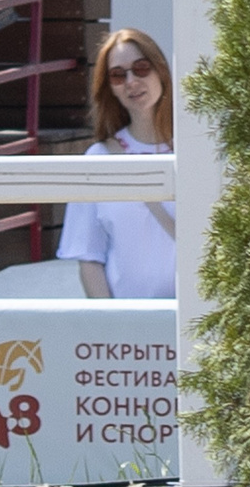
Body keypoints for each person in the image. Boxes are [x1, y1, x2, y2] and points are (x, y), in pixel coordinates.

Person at [57, 27, 173, 299]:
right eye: (118, 75)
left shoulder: (196, 153)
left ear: (161, 71)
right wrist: (114, 327)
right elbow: (89, 258)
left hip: (193, 326)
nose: (131, 81)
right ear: (110, 87)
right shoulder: (98, 159)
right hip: (127, 331)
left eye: (141, 68)